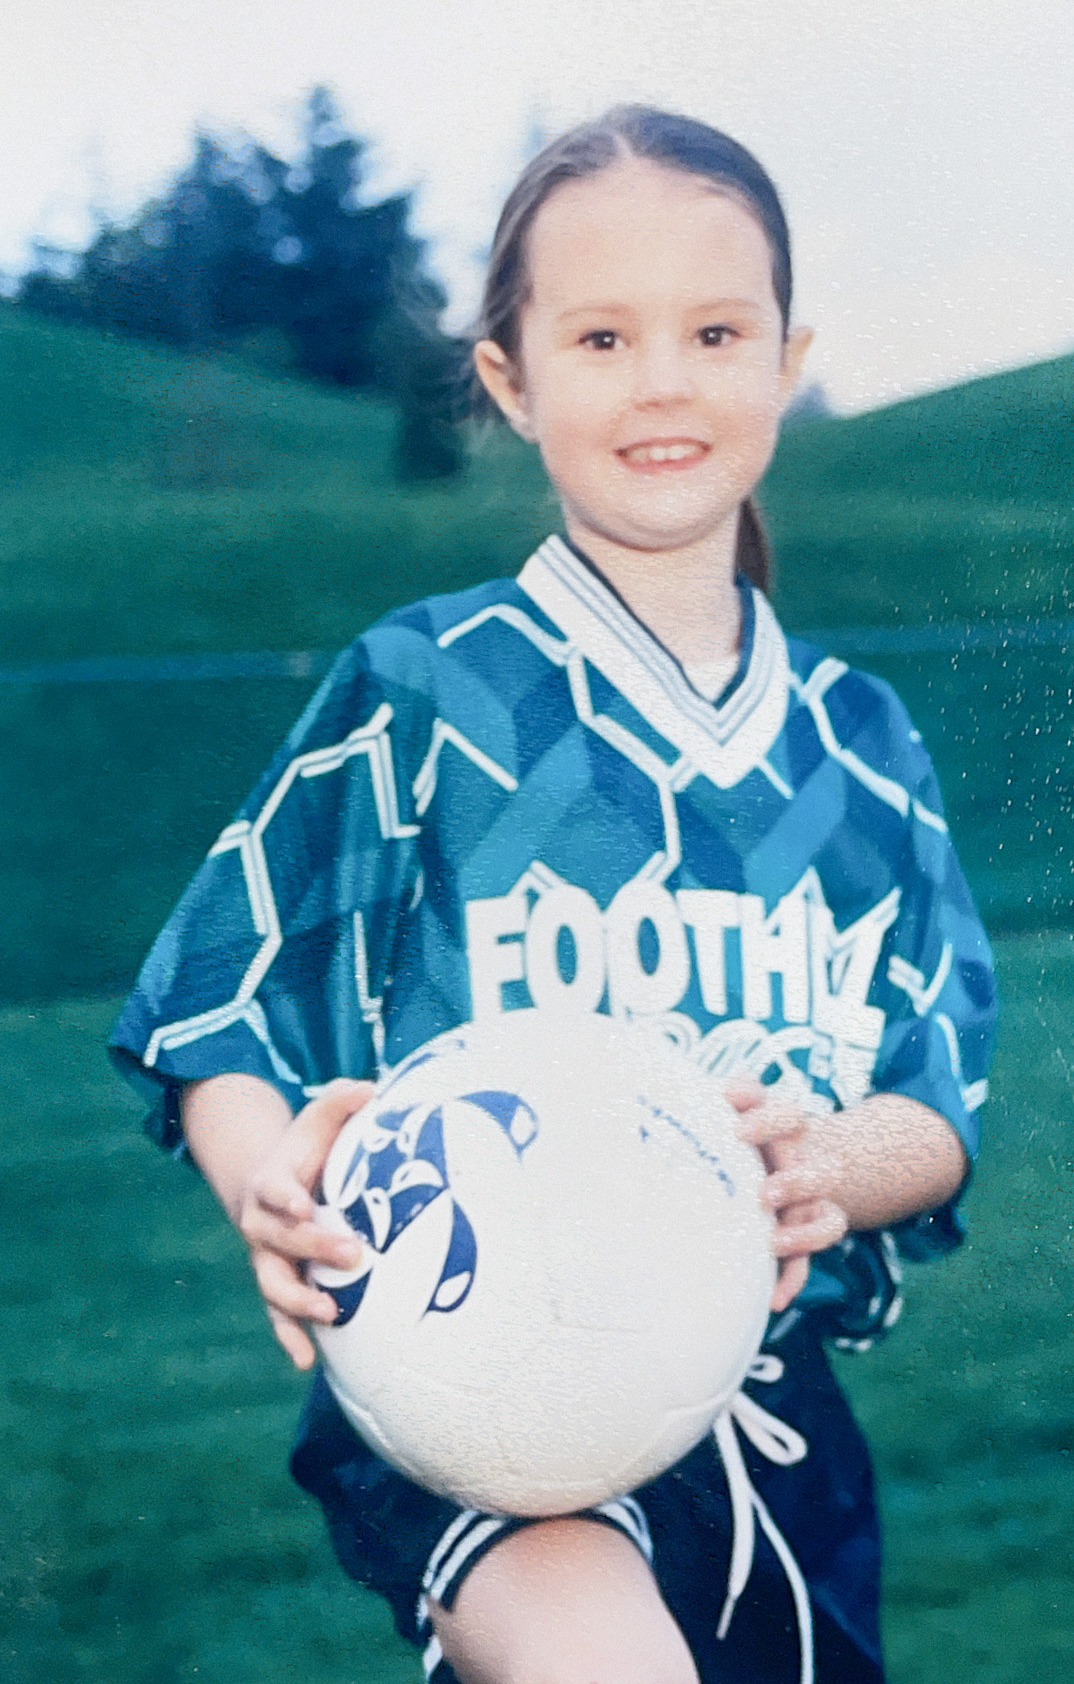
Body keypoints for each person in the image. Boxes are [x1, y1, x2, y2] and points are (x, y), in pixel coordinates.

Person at [110, 105, 998, 1684]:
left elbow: (932, 1105)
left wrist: (812, 1176)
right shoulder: (431, 689)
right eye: (601, 334)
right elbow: (222, 1008)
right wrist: (278, 1186)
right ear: (510, 379)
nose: (663, 379)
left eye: (714, 329)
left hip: (772, 1419)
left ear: (785, 358)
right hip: (480, 1396)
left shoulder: (859, 747)